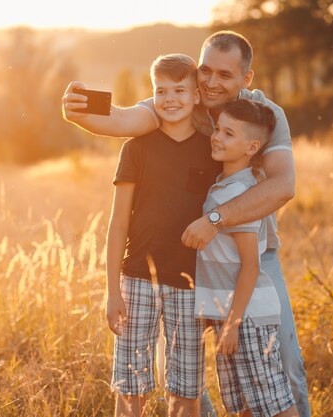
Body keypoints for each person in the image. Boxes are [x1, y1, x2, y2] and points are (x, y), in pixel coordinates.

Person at [62, 30, 311, 417]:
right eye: (206, 70)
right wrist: (78, 110)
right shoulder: (178, 99)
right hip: (187, 266)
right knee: (189, 375)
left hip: (248, 258)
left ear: (247, 79)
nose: (211, 82)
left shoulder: (262, 115)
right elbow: (123, 119)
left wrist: (216, 219)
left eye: (225, 75)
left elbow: (284, 185)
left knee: (277, 368)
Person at [105, 53, 219, 417]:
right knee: (130, 383)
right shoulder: (136, 147)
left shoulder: (212, 150)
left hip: (191, 283)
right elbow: (118, 222)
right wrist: (111, 292)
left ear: (196, 95)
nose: (170, 99)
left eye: (179, 90)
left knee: (186, 387)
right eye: (161, 90)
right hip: (137, 278)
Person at [195, 98, 298, 417]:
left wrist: (233, 324)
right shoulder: (222, 186)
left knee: (275, 403)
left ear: (252, 146)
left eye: (229, 134)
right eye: (218, 129)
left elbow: (251, 267)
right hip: (231, 316)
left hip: (247, 317)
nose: (217, 137)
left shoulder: (243, 194)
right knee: (243, 406)